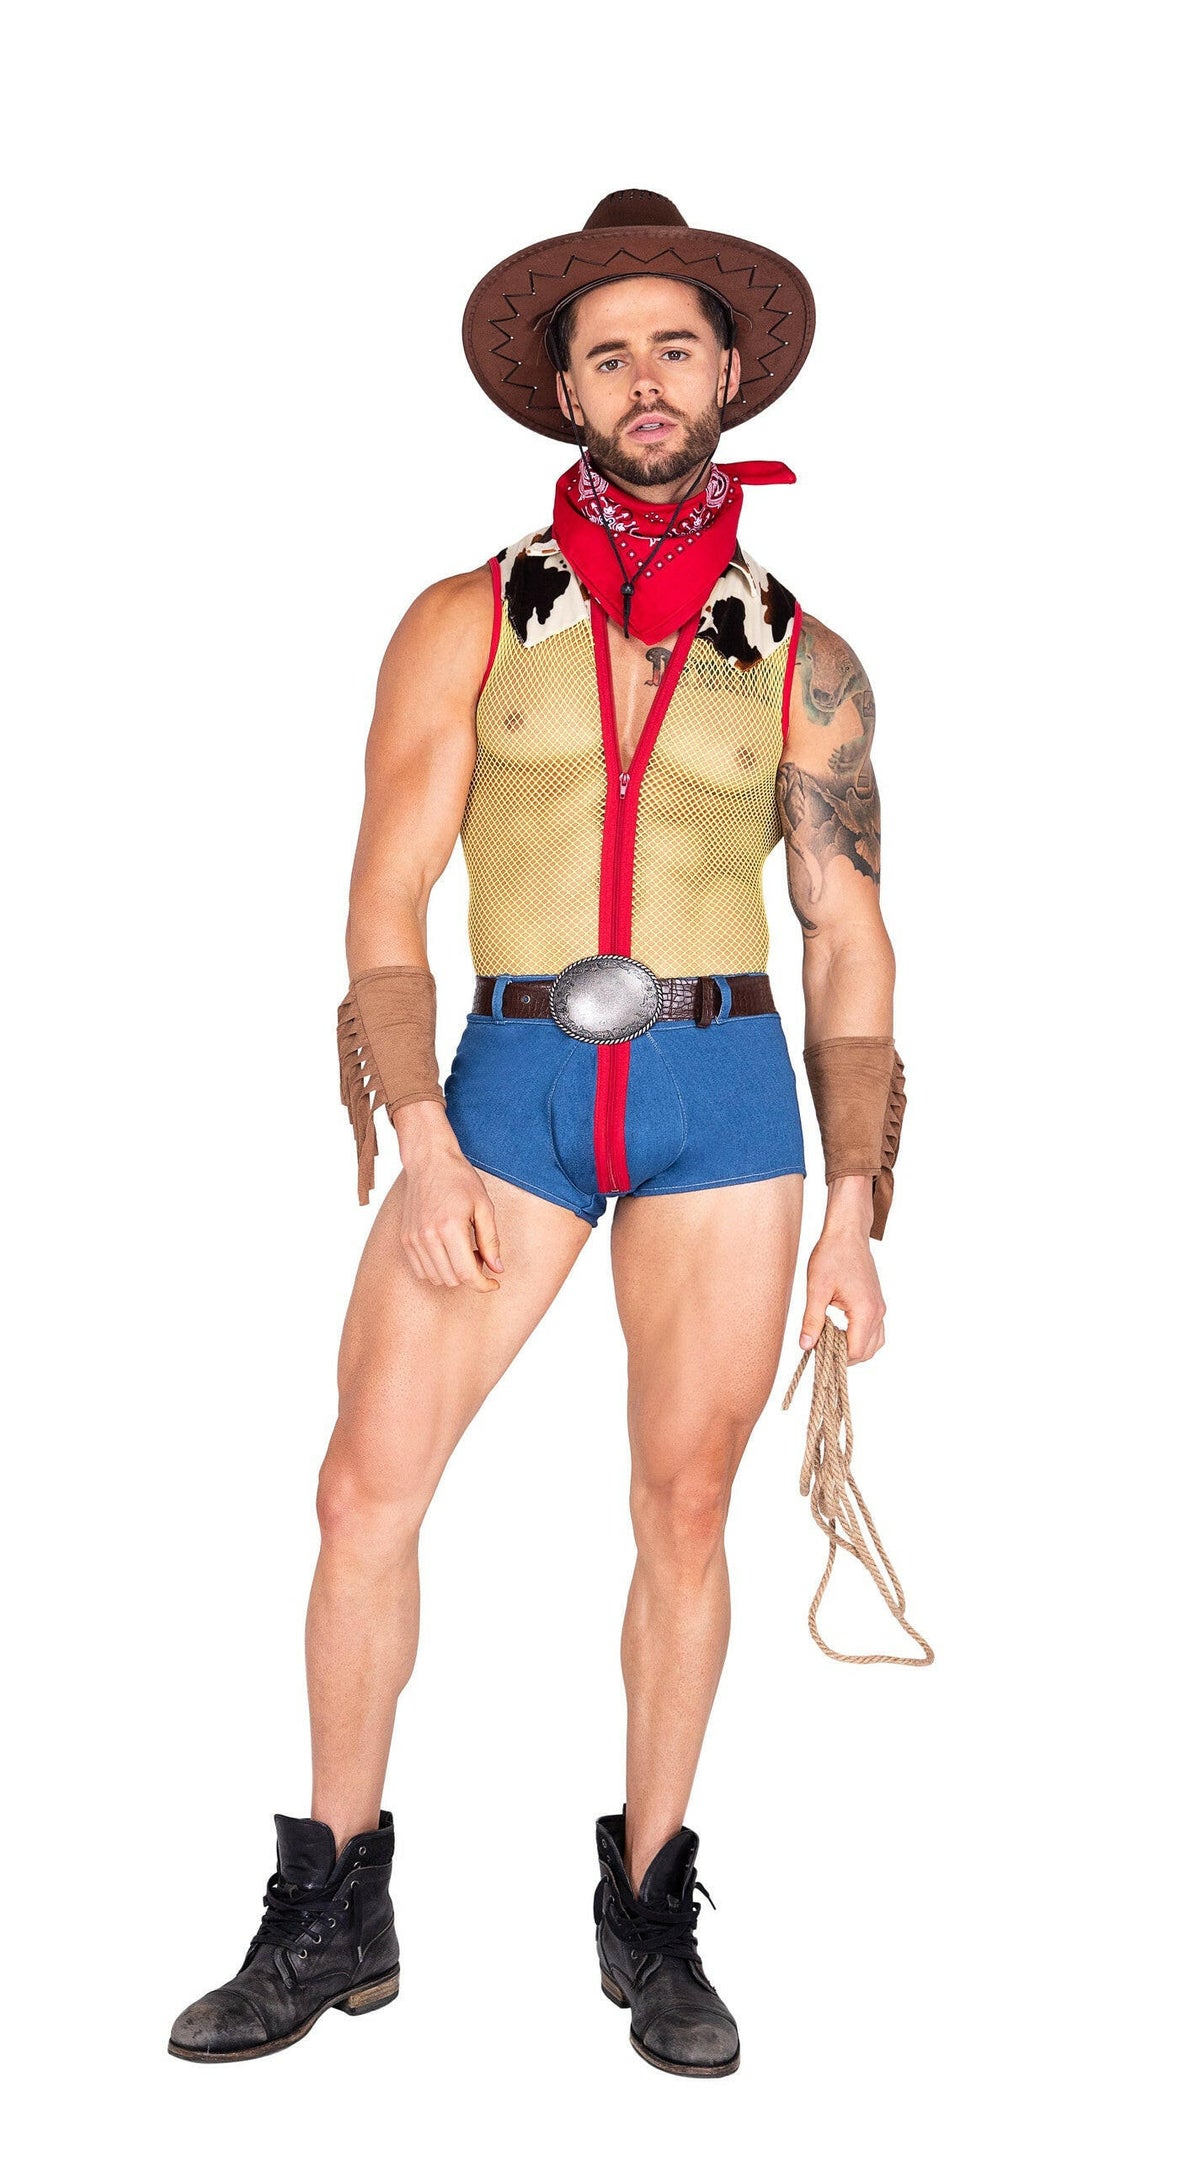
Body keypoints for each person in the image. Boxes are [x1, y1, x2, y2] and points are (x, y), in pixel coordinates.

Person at [169, 189, 905, 2078]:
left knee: (684, 1507)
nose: (647, 381)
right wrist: (419, 1134)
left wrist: (856, 1205)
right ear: (564, 393)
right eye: (610, 355)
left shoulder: (805, 657)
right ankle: (332, 1903)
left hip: (724, 1098)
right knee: (364, 1490)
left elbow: (848, 932)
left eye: (677, 348)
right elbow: (382, 890)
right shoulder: (464, 619)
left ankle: (649, 1912)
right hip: (505, 1087)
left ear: (729, 377)